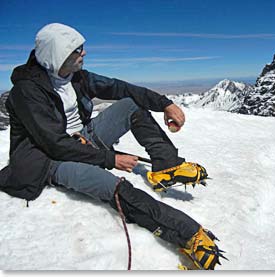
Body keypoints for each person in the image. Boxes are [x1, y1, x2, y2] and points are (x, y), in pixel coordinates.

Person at [0, 23, 226, 270]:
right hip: (49, 159)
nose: (83, 53)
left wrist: (165, 104)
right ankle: (187, 234)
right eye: (77, 50)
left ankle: (167, 166)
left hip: (81, 140)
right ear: (58, 55)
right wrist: (109, 159)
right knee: (114, 187)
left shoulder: (75, 76)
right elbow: (54, 145)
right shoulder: (26, 91)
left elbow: (120, 88)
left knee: (131, 106)